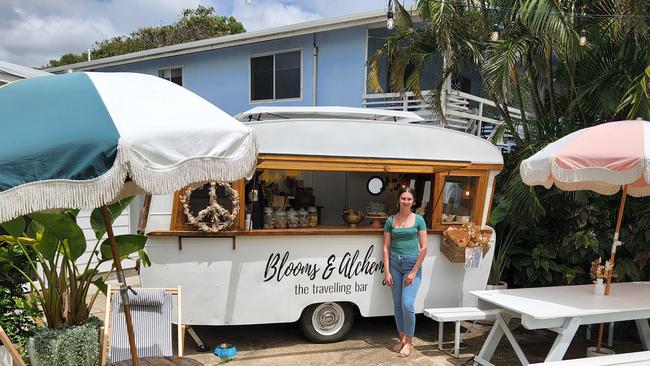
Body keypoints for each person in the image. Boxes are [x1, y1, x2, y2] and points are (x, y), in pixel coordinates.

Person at [383, 186, 428, 358]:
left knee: (407, 304)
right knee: (397, 304)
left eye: (409, 199)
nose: (406, 201)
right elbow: (386, 248)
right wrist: (386, 271)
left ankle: (409, 342)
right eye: (403, 198)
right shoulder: (390, 220)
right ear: (398, 200)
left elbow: (424, 248)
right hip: (394, 264)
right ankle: (402, 339)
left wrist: (414, 271)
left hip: (411, 265)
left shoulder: (419, 220)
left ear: (414, 201)